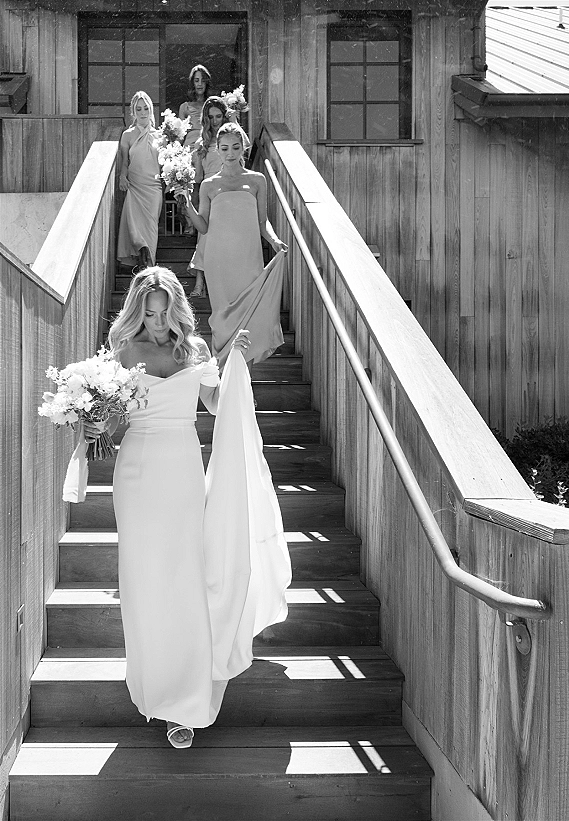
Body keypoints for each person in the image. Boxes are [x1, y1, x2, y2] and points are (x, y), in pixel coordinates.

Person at [93, 267, 290, 749]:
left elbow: (218, 406)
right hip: (137, 473)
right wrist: (95, 425)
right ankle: (156, 689)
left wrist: (238, 366)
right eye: (148, 313)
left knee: (184, 578)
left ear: (176, 308)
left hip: (182, 470)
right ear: (137, 310)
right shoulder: (122, 352)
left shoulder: (195, 351)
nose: (157, 323)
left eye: (163, 313)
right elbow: (114, 422)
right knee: (144, 582)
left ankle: (187, 700)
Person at [181, 122, 288, 370]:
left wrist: (274, 241)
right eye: (225, 148)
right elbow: (204, 226)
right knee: (223, 321)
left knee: (248, 321)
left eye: (236, 147)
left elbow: (263, 222)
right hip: (219, 262)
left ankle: (244, 386)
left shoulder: (257, 180)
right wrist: (187, 204)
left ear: (244, 149)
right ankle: (223, 383)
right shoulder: (209, 185)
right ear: (217, 149)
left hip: (249, 259)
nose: (230, 153)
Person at [188, 97, 250, 297]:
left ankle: (220, 284)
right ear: (205, 119)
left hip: (229, 190)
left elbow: (245, 145)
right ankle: (199, 283)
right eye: (210, 117)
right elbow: (198, 177)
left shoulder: (231, 139)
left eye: (218, 116)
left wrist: (234, 120)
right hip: (208, 191)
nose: (215, 121)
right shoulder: (202, 142)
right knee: (204, 235)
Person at [117, 91, 163, 271]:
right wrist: (122, 176)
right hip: (135, 187)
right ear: (133, 112)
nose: (143, 112)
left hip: (153, 188)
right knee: (135, 230)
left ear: (151, 110)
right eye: (139, 109)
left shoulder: (161, 135)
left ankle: (150, 265)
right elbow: (124, 161)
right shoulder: (127, 135)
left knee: (150, 228)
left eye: (146, 108)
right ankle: (142, 262)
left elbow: (165, 163)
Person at [177, 65, 211, 237]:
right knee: (188, 187)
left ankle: (205, 221)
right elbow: (179, 134)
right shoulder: (184, 107)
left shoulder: (211, 104)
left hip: (206, 145)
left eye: (203, 80)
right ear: (192, 83)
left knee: (204, 186)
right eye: (196, 80)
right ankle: (190, 223)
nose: (199, 84)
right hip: (188, 148)